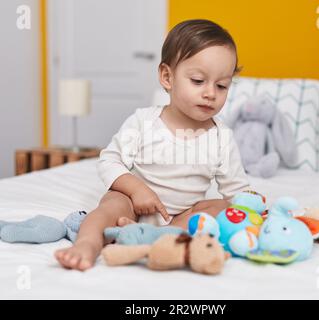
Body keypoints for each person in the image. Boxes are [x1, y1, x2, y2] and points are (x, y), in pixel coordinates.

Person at [55, 19, 250, 271]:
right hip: (132, 206)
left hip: (178, 217)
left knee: (219, 208)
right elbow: (109, 161)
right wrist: (136, 189)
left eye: (221, 85)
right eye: (198, 81)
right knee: (112, 202)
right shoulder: (143, 122)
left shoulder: (221, 137)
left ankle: (159, 237)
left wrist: (253, 205)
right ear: (167, 77)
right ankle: (88, 243)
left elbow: (237, 189)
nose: (211, 93)